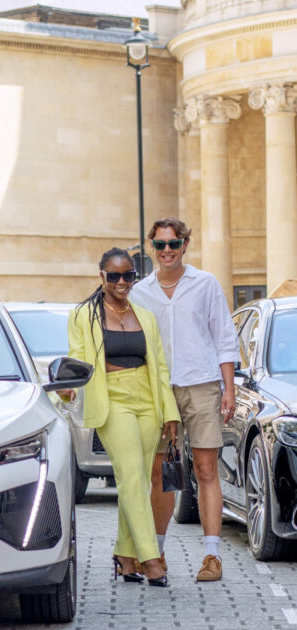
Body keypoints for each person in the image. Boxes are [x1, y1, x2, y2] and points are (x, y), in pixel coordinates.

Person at [130, 218, 239, 582]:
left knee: (205, 469)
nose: (167, 251)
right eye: (160, 245)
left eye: (173, 244)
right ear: (152, 247)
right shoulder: (140, 292)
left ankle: (212, 556)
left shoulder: (205, 283)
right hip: (157, 390)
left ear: (185, 245)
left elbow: (224, 336)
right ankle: (155, 552)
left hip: (201, 383)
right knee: (160, 474)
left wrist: (229, 388)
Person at [68, 247, 180, 586]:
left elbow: (159, 367)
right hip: (112, 399)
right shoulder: (83, 316)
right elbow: (78, 359)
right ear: (101, 276)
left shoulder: (145, 315)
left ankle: (125, 555)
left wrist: (170, 412)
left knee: (140, 480)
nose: (121, 281)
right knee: (131, 475)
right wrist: (68, 389)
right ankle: (151, 558)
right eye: (114, 275)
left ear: (135, 277)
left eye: (128, 275)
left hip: (148, 400)